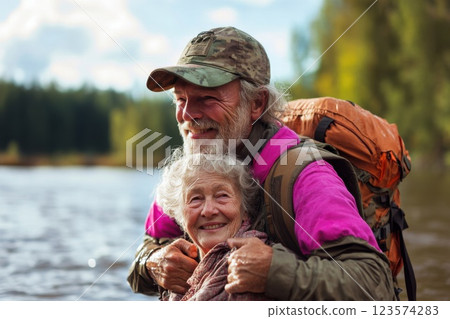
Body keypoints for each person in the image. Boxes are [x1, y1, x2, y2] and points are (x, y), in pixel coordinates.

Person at [127, 26, 396, 300]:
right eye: (180, 99)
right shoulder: (192, 173)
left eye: (206, 98)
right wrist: (153, 263)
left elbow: (373, 282)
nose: (186, 114)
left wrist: (274, 272)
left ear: (257, 103)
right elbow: (148, 248)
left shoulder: (307, 175)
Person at [155, 152, 269, 300]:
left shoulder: (247, 265)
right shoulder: (184, 265)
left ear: (245, 209)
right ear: (180, 216)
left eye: (222, 196)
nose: (208, 211)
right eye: (195, 199)